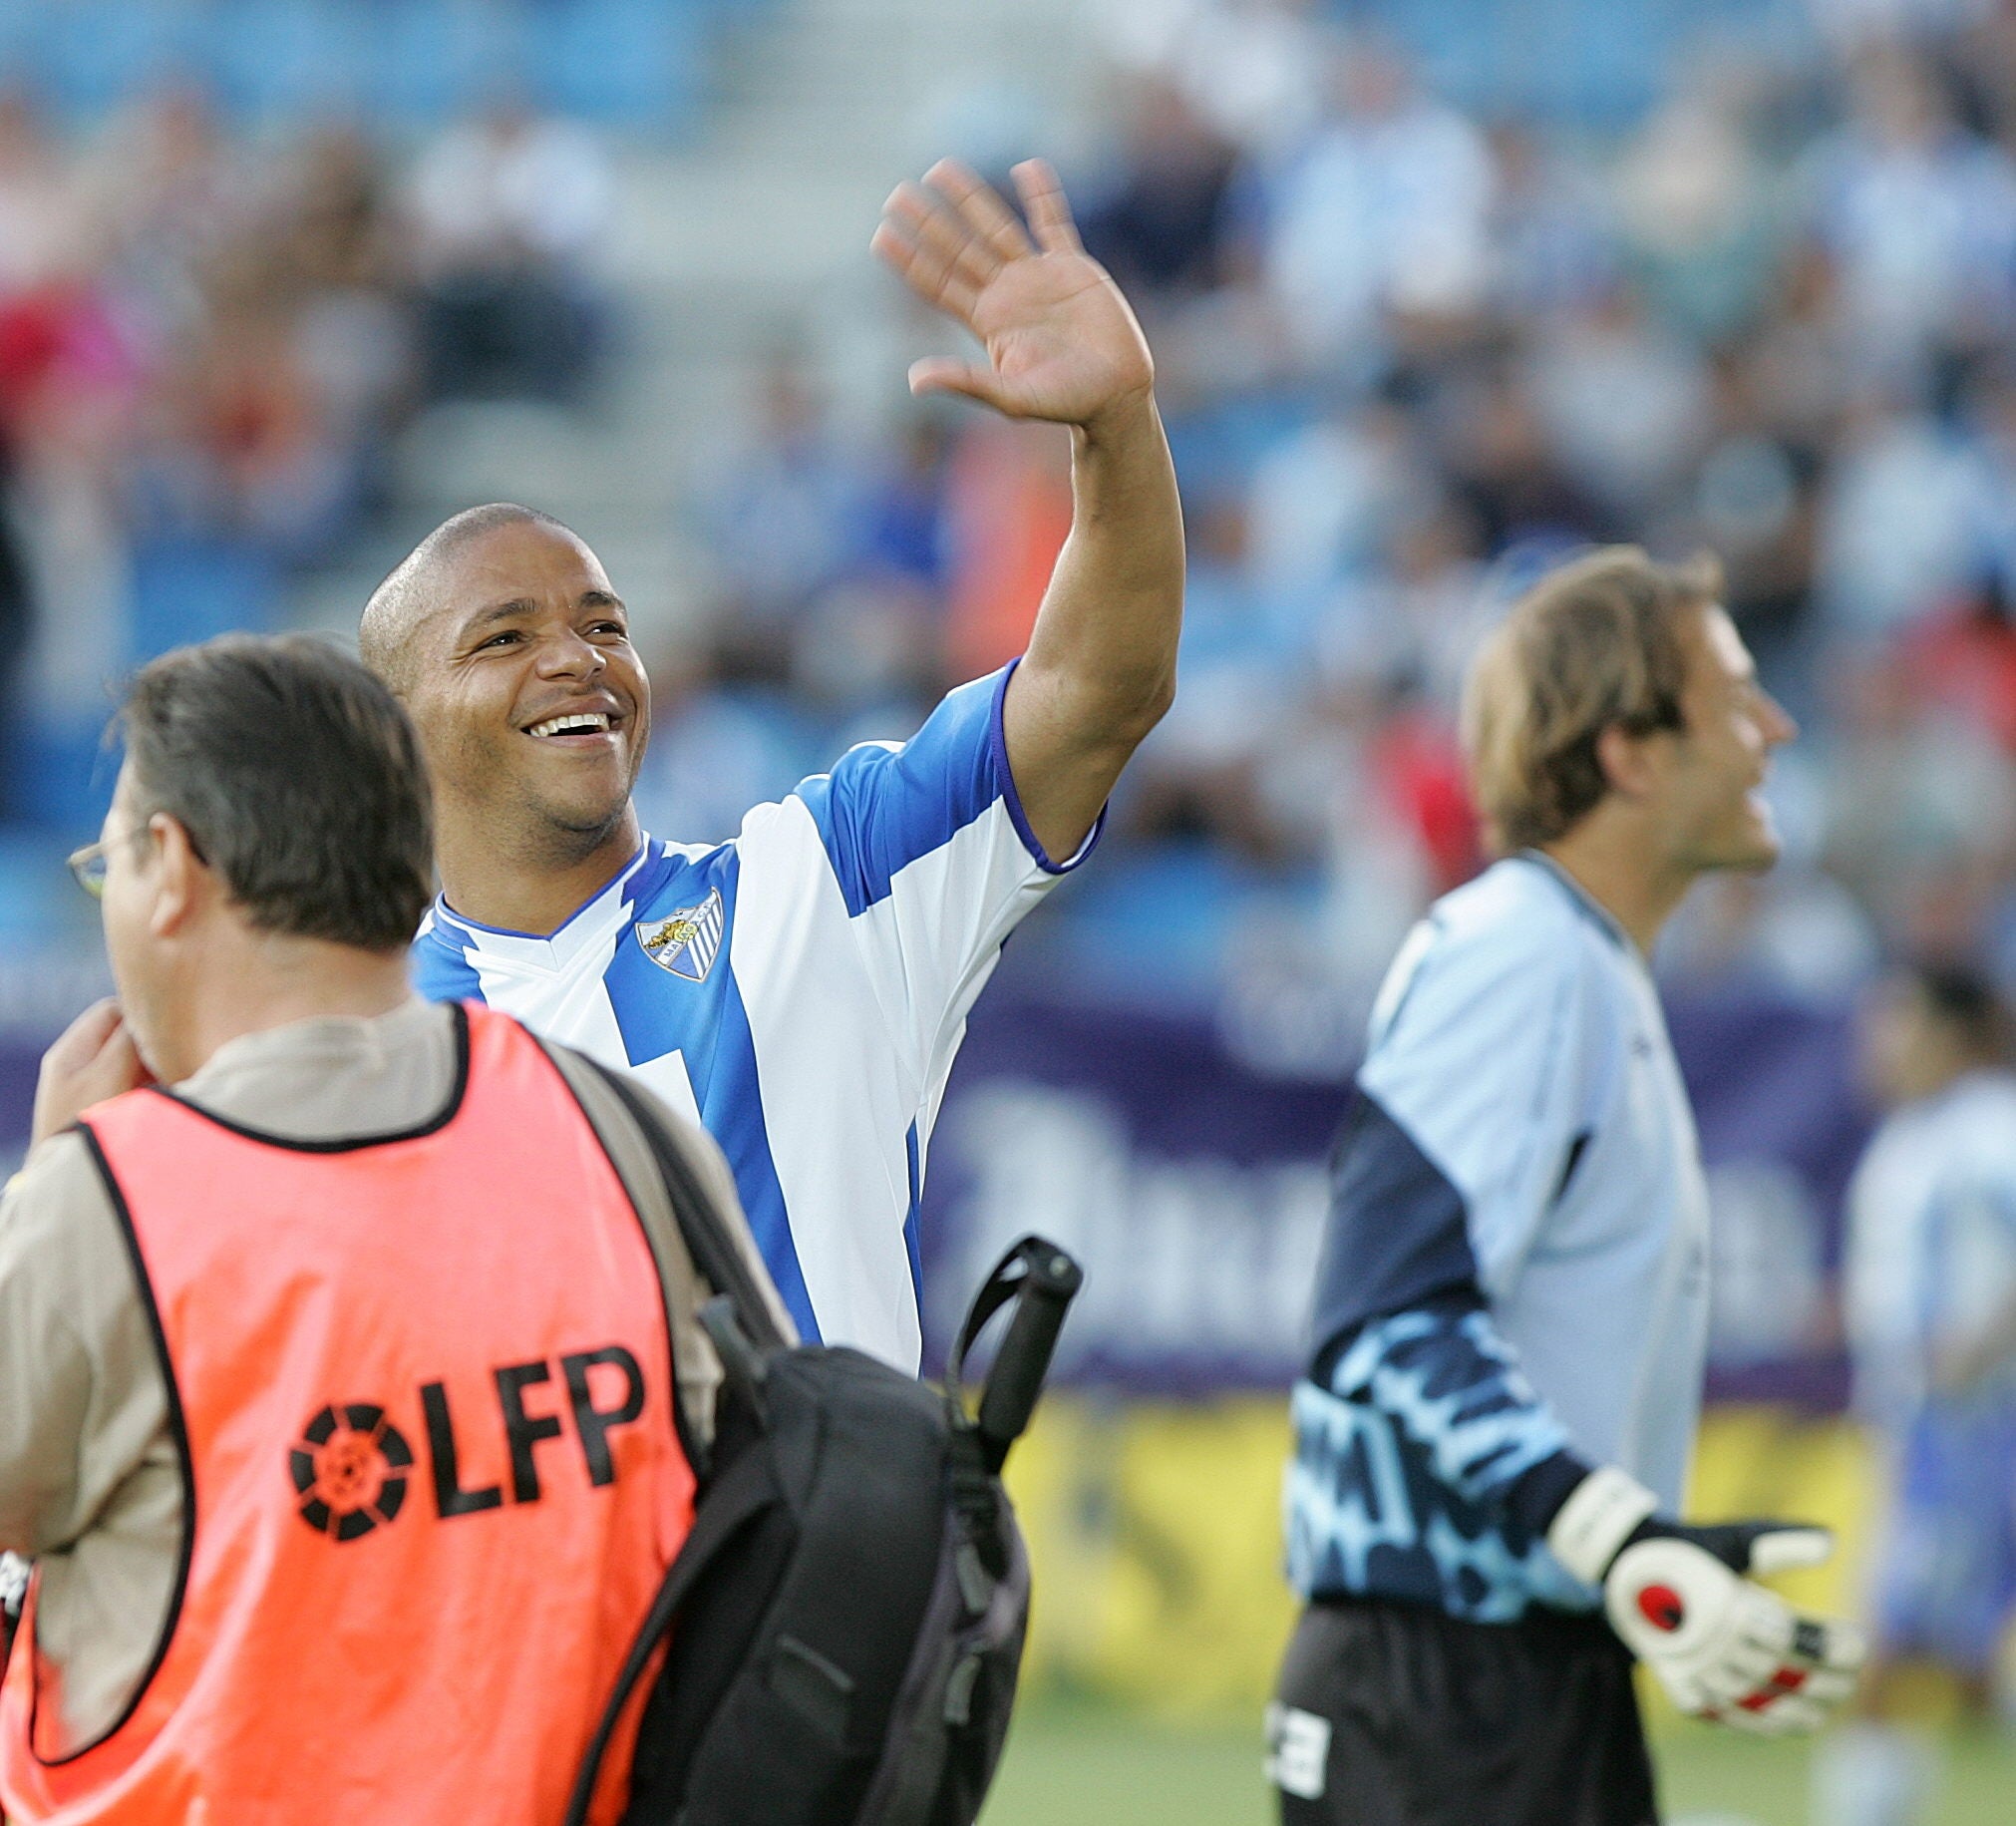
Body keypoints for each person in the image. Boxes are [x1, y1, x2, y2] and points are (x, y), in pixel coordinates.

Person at [362, 157, 1183, 1369]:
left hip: (853, 1561)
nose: (581, 661)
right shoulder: (360, 1048)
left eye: (604, 624)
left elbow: (1094, 691)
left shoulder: (821, 881)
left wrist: (1115, 430)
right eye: (505, 637)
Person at [0, 634, 785, 1824]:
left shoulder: (104, 1206)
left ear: (171, 869)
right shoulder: (618, 1132)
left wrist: (62, 1182)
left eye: (108, 866)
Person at [1268, 548, 1864, 1826]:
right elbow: (1387, 1313)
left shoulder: (1580, 965)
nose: (1777, 728)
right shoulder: (1519, 956)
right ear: (1631, 752)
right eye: (1737, 696)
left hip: (1507, 1677)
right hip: (1440, 1691)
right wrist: (1614, 1537)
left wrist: (1644, 1559)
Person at [1813, 965, 2016, 1826]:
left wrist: (1980, 1342)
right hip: (1920, 1421)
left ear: (1952, 1031)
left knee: (1885, 1645)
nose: (1879, 1042)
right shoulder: (1911, 1137)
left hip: (1970, 1424)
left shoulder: (1989, 1127)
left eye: (1898, 1020)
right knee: (1957, 1654)